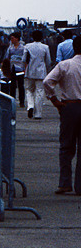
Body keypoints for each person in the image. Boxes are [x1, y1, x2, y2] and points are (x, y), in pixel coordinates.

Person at [43, 36, 81, 195]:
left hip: (69, 107)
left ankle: (65, 183)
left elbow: (47, 82)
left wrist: (54, 100)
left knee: (66, 146)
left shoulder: (65, 65)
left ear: (74, 47)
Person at [24, 30, 53, 119]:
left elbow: (24, 59)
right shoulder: (45, 47)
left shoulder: (27, 46)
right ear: (42, 37)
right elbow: (48, 61)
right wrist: (48, 70)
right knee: (40, 92)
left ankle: (30, 106)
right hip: (41, 72)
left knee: (29, 90)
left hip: (30, 71)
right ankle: (38, 114)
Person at [5, 33, 26, 107]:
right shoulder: (10, 48)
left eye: (13, 38)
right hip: (12, 68)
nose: (11, 40)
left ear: (17, 38)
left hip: (20, 68)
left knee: (21, 85)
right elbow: (7, 57)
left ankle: (22, 101)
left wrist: (25, 68)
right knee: (12, 85)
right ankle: (12, 100)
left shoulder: (22, 48)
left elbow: (25, 58)